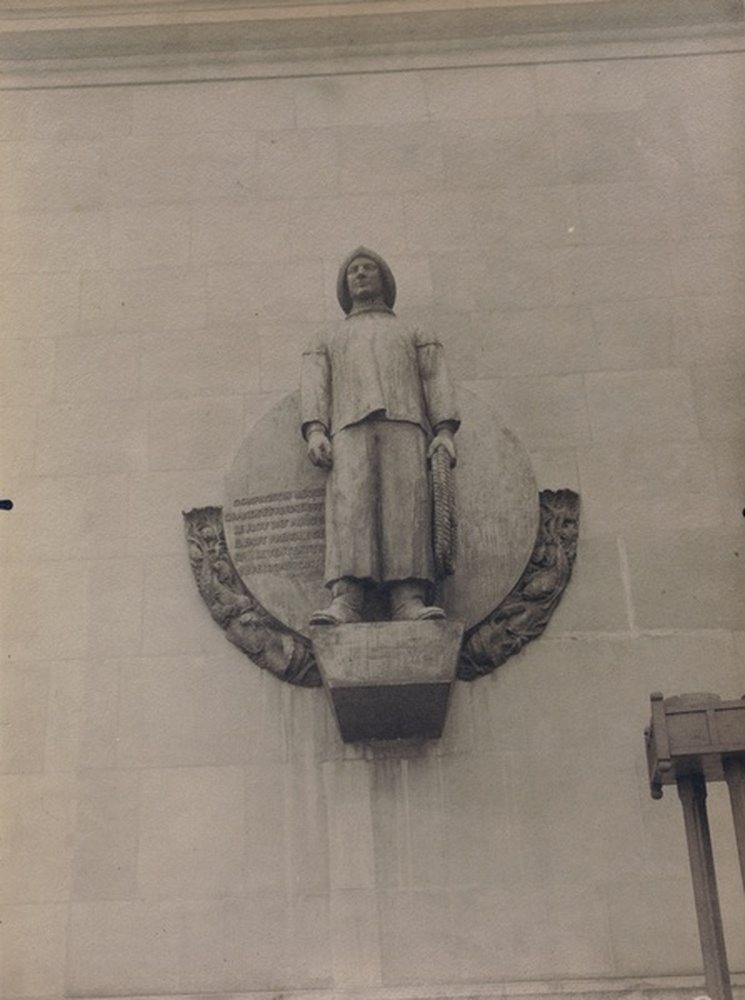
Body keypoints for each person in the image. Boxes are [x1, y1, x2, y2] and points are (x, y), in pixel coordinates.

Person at [300, 246, 459, 624]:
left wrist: (445, 430)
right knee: (350, 507)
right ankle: (347, 600)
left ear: (384, 279)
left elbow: (435, 377)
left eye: (368, 268)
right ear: (344, 284)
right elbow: (315, 384)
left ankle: (408, 599)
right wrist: (315, 430)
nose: (360, 274)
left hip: (405, 426)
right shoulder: (328, 337)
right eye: (353, 270)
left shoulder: (412, 331)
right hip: (348, 430)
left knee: (406, 508)